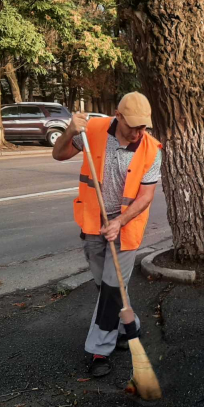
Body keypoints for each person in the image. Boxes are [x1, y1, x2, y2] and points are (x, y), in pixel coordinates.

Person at [52, 92, 162, 377]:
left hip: (126, 228)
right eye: (133, 126)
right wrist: (70, 132)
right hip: (92, 223)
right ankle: (130, 325)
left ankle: (99, 350)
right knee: (106, 287)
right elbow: (59, 154)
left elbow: (146, 197)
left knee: (112, 288)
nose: (138, 132)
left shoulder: (152, 149)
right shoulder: (93, 131)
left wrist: (120, 221)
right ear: (118, 116)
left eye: (144, 127)